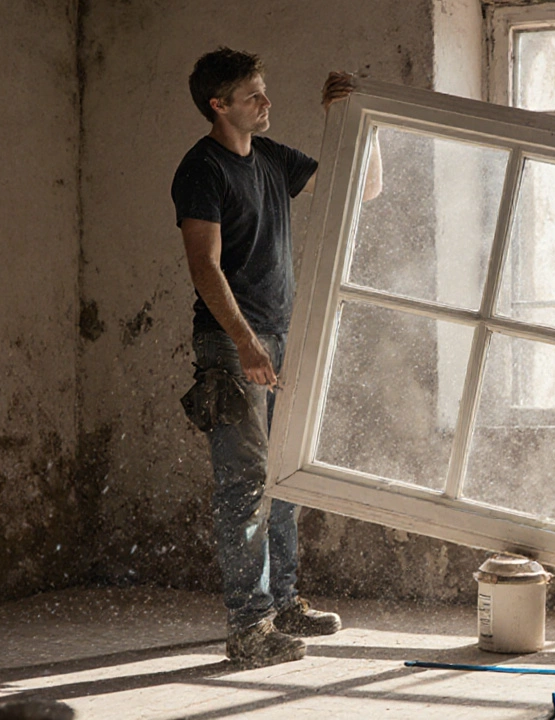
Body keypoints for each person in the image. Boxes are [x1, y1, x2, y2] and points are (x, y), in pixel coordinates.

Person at [170, 47, 382, 667]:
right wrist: (245, 342)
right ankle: (249, 626)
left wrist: (360, 116)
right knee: (244, 485)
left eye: (264, 91)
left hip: (283, 337)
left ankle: (283, 602)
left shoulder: (270, 159)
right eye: (253, 95)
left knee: (285, 476)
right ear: (219, 105)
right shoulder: (202, 170)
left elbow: (363, 186)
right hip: (234, 343)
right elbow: (204, 266)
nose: (266, 102)